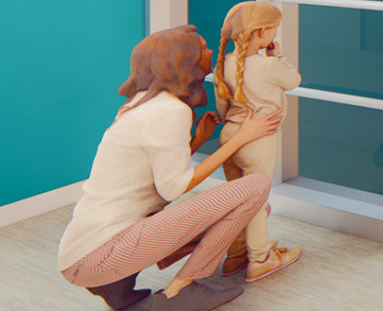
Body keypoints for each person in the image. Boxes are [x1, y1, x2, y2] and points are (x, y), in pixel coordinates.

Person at [57, 25, 282, 311]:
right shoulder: (170, 111)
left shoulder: (137, 104)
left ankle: (116, 287)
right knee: (256, 187)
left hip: (79, 255)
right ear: (183, 60)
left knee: (249, 209)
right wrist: (242, 137)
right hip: (103, 255)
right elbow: (173, 187)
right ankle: (181, 290)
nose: (210, 50)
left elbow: (156, 178)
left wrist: (198, 140)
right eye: (202, 47)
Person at [214, 1, 303, 283]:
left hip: (230, 137)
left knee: (236, 202)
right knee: (254, 203)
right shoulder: (269, 65)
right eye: (274, 29)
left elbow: (222, 108)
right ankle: (260, 258)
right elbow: (294, 80)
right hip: (259, 142)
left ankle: (235, 256)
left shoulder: (224, 64)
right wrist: (279, 55)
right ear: (263, 32)